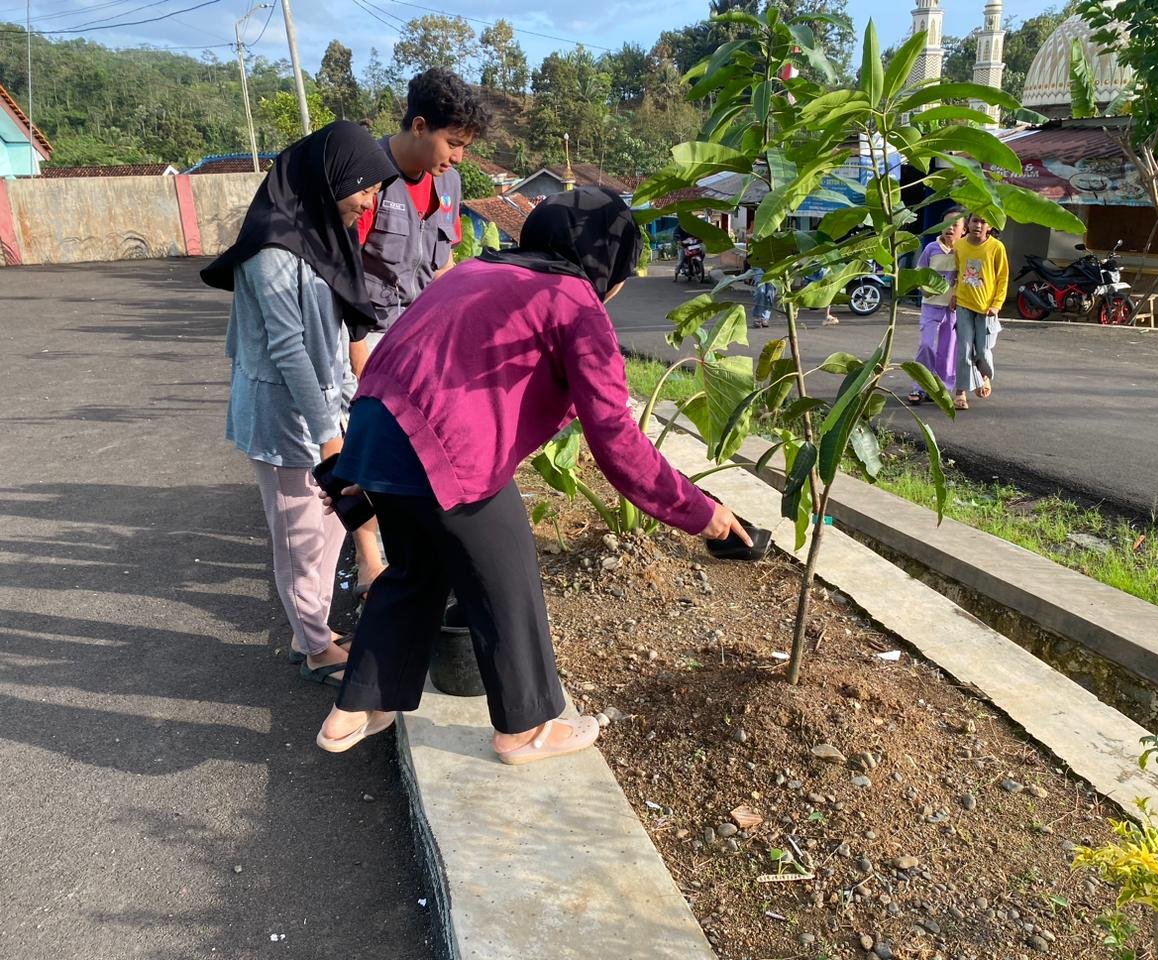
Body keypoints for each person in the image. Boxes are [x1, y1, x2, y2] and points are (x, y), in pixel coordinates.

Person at [313, 188, 751, 760]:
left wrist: (360, 461)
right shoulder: (573, 300)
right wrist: (702, 513)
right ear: (608, 267)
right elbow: (616, 439)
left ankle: (354, 709)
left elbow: (400, 354)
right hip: (448, 448)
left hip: (378, 425)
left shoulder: (474, 271)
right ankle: (524, 729)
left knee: (415, 571)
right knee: (507, 581)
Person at [201, 121, 399, 687]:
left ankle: (308, 628)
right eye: (365, 186)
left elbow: (343, 328)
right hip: (283, 419)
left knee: (331, 525)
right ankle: (314, 647)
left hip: (326, 410)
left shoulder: (323, 236)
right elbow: (288, 349)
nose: (371, 200)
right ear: (332, 177)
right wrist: (329, 437)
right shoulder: (269, 249)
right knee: (297, 538)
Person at [341, 68, 490, 602]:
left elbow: (443, 264)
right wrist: (362, 366)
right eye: (453, 143)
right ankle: (368, 556)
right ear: (420, 126)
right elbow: (344, 275)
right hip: (367, 334)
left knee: (422, 448)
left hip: (420, 335)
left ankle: (416, 549)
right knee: (357, 451)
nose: (457, 157)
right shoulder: (367, 177)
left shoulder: (448, 181)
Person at [951, 212, 1008, 411]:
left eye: (984, 222)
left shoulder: (996, 247)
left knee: (983, 350)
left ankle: (983, 377)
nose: (979, 225)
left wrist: (996, 304)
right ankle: (960, 392)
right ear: (968, 223)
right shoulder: (959, 245)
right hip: (964, 304)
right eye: (975, 220)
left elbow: (1003, 278)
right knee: (963, 349)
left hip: (987, 308)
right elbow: (957, 274)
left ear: (990, 227)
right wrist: (954, 296)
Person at [908, 211, 963, 404]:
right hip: (930, 306)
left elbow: (966, 277)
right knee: (926, 345)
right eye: (946, 224)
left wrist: (957, 295)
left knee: (948, 350)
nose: (950, 228)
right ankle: (919, 386)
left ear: (963, 230)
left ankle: (941, 389)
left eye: (955, 225)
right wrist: (924, 289)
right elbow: (919, 274)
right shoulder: (931, 248)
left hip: (953, 309)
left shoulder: (963, 251)